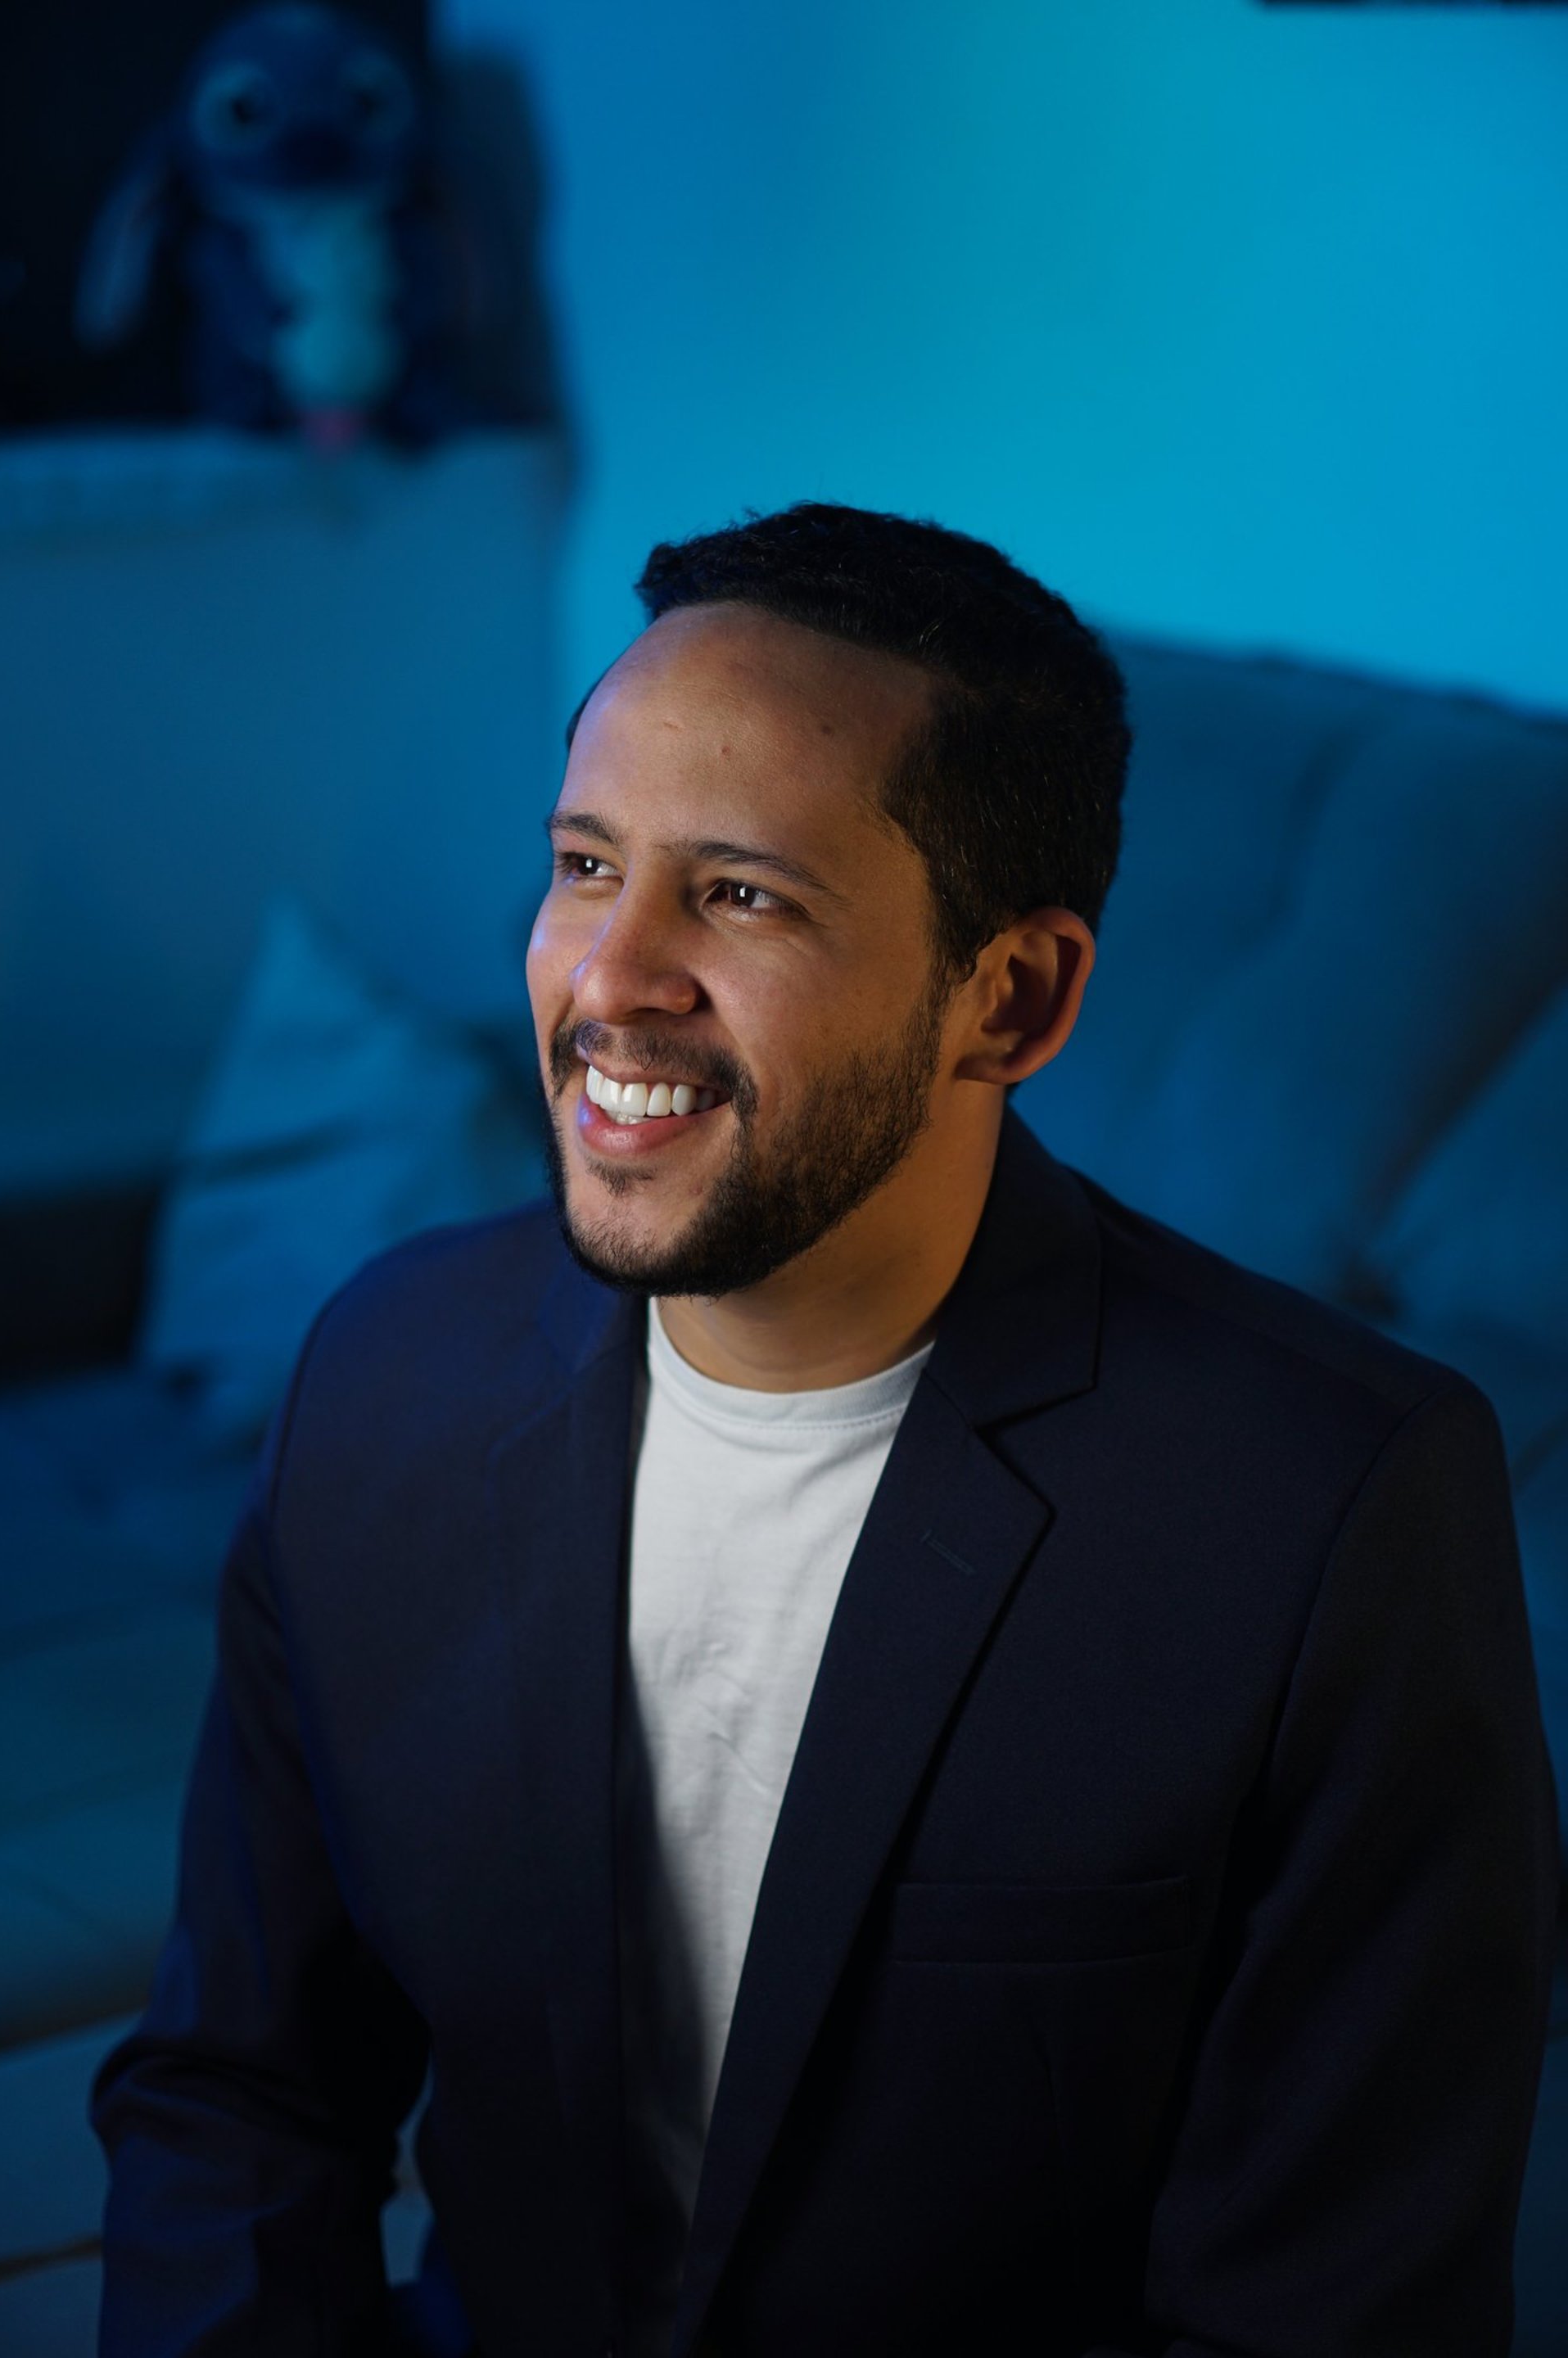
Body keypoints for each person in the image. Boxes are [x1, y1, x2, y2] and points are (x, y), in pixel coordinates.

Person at [93, 503, 1558, 2358]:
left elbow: (1334, 2318)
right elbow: (241, 2097)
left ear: (1007, 998)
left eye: (741, 894)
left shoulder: (1335, 1506)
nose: (606, 976)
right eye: (583, 863)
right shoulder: (386, 1373)